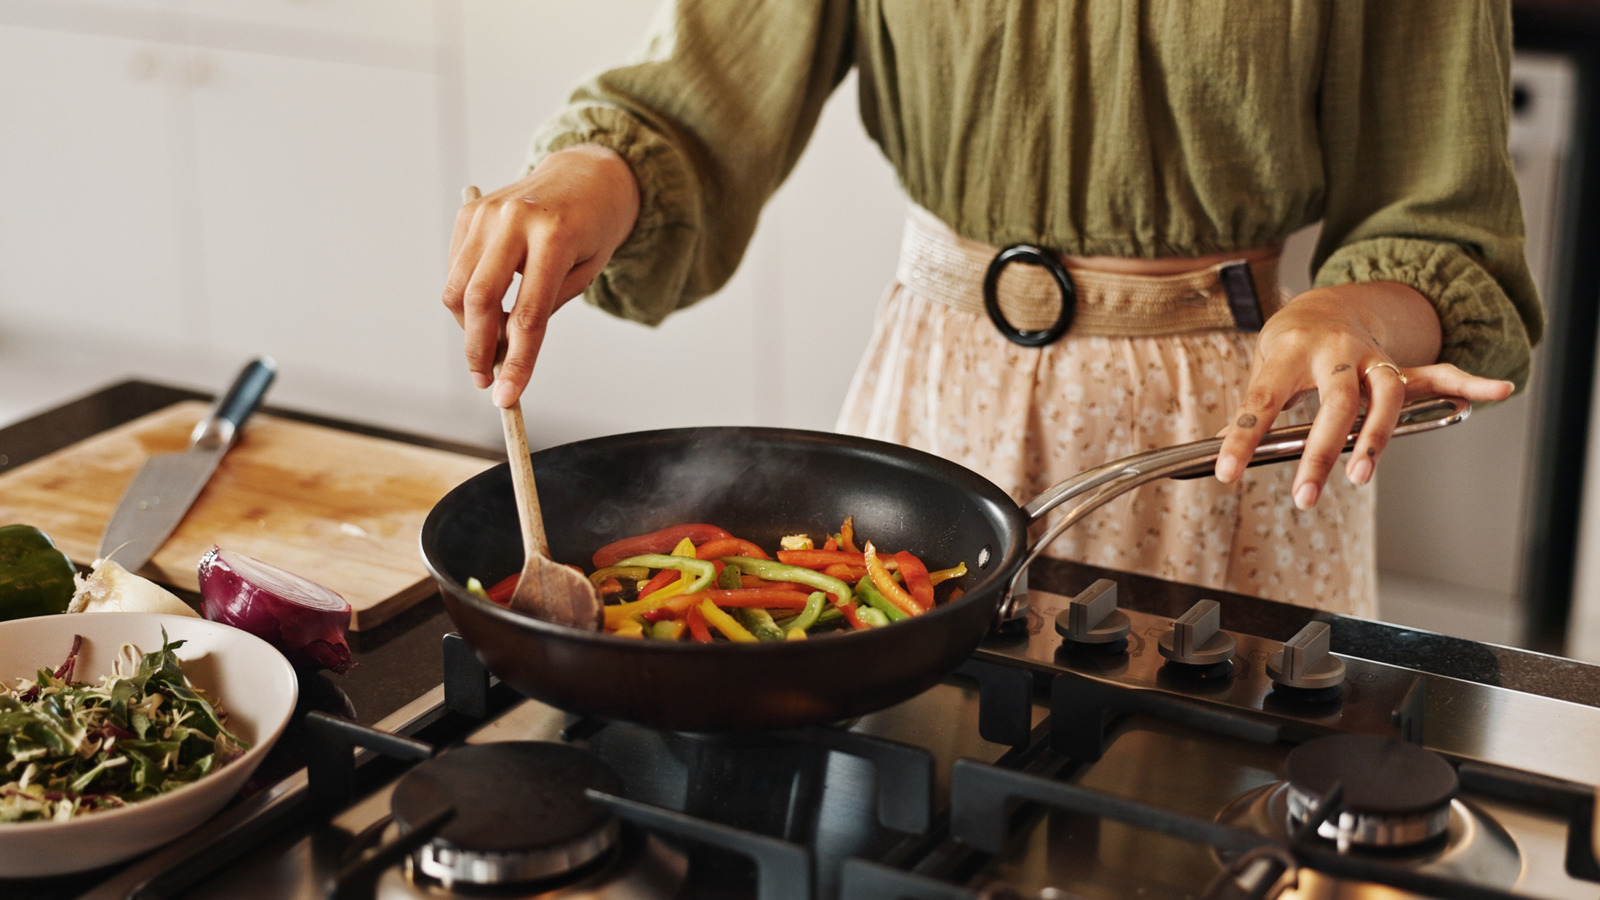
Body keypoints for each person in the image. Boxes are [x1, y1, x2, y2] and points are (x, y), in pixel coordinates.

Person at [441, 2, 1540, 618]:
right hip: (934, 404)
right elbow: (697, 100)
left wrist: (1353, 316)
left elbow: (1437, 220)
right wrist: (592, 177)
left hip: (1228, 436)